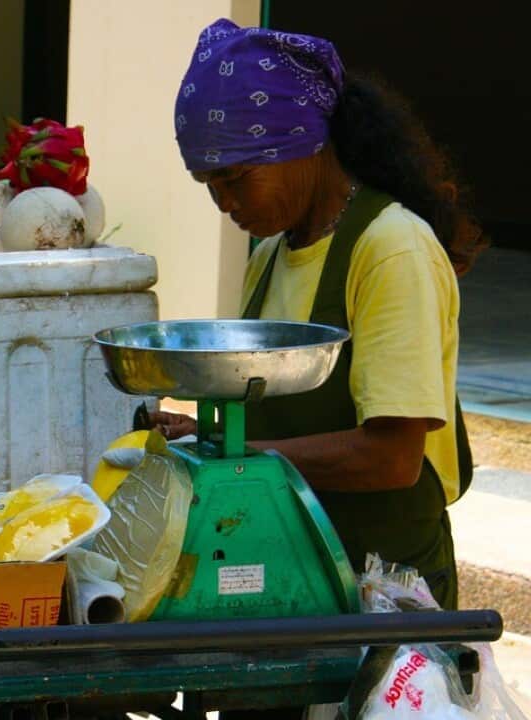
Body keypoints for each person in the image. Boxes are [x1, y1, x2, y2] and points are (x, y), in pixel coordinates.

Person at [153, 19, 486, 615]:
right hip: (288, 572)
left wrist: (243, 454)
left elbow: (392, 457)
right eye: (209, 184)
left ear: (303, 144)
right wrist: (201, 436)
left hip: (383, 592)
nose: (225, 203)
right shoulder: (269, 258)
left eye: (236, 178)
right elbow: (264, 419)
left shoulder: (391, 248)